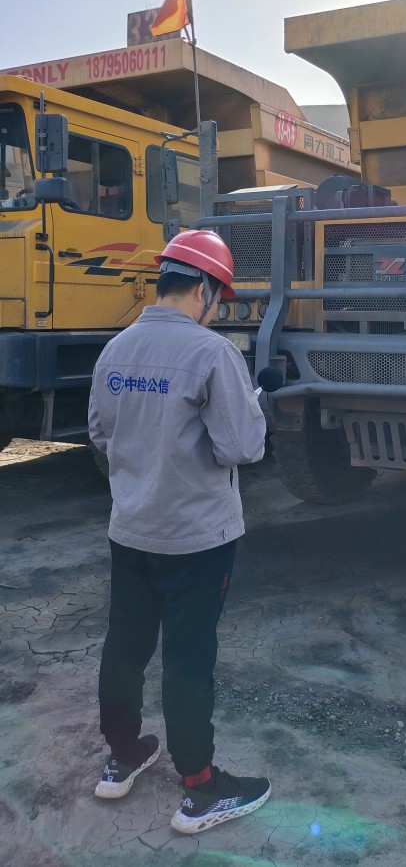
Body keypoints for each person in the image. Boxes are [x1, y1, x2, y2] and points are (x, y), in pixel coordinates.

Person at [88, 228, 270, 835]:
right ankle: (199, 787)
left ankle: (122, 757)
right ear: (204, 289)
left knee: (126, 644)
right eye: (218, 298)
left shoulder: (115, 349)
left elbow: (100, 435)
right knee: (188, 658)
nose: (215, 309)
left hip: (131, 528)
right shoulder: (212, 354)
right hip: (196, 536)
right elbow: (241, 447)